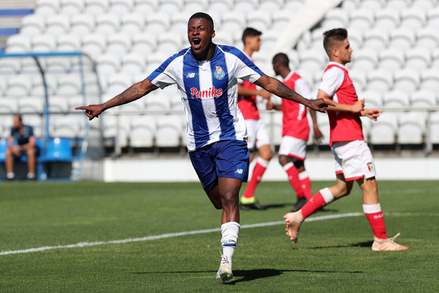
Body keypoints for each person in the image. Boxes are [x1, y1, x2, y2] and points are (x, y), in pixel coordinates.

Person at [76, 12, 333, 281]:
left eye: (200, 29)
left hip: (230, 138)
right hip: (198, 145)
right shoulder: (177, 63)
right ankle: (227, 238)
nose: (195, 33)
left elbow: (268, 82)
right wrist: (103, 105)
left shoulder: (231, 58)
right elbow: (141, 88)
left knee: (231, 196)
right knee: (219, 201)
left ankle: (226, 261)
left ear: (212, 33)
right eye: (191, 29)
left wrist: (306, 101)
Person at [284, 28, 408, 251]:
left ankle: (299, 216)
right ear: (335, 51)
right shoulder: (335, 71)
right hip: (350, 139)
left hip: (342, 139)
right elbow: (321, 100)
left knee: (343, 188)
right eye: (347, 47)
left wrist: (361, 112)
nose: (351, 50)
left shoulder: (337, 71)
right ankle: (380, 240)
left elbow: (338, 105)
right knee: (369, 185)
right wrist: (352, 108)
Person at [268, 52, 323, 212]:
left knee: (283, 158)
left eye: (273, 65)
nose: (273, 68)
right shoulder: (286, 82)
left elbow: (309, 102)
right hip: (291, 127)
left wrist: (316, 126)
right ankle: (310, 201)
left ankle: (301, 197)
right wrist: (275, 107)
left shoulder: (297, 80)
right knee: (299, 165)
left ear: (277, 65)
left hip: (297, 127)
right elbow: (291, 106)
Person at [237, 28, 273, 211]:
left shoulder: (250, 61)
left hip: (255, 114)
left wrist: (265, 97)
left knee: (267, 153)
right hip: (245, 114)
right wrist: (259, 92)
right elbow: (236, 89)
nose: (260, 43)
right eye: (258, 40)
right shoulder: (240, 60)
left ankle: (248, 196)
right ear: (249, 40)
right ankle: (229, 192)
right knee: (247, 156)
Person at [5, 114, 38, 180]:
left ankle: (31, 175)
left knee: (31, 151)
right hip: (20, 150)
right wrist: (13, 149)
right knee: (8, 151)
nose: (13, 123)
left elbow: (32, 144)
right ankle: (10, 175)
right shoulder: (13, 130)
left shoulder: (29, 129)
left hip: (28, 148)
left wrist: (19, 148)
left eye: (15, 122)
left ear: (20, 122)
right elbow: (10, 142)